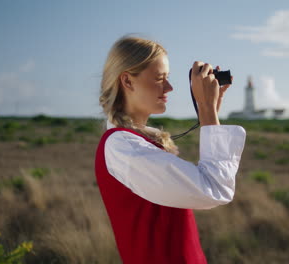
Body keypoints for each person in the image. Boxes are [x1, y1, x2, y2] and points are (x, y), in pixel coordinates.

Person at [94, 35, 246, 264]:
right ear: (127, 81)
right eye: (159, 78)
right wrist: (205, 109)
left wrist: (210, 111)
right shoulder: (123, 147)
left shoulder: (138, 142)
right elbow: (215, 188)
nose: (169, 87)